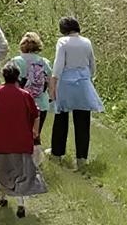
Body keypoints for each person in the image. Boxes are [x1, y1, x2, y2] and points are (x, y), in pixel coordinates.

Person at [0, 62, 48, 219]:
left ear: (3, 76)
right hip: (21, 141)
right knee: (20, 173)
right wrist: (34, 132)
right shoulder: (25, 95)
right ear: (18, 77)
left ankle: (2, 198)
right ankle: (21, 203)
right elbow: (36, 115)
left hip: (0, 141)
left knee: (0, 170)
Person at [49, 17, 104, 171]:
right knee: (83, 121)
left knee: (61, 119)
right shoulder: (86, 42)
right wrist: (89, 77)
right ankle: (81, 158)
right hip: (83, 82)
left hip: (66, 82)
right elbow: (92, 63)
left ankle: (57, 153)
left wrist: (54, 81)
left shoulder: (63, 42)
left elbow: (59, 63)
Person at [11, 32, 53, 166]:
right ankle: (35, 162)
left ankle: (20, 161)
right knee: (36, 133)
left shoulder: (16, 61)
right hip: (41, 103)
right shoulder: (44, 62)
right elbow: (50, 81)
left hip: (21, 102)